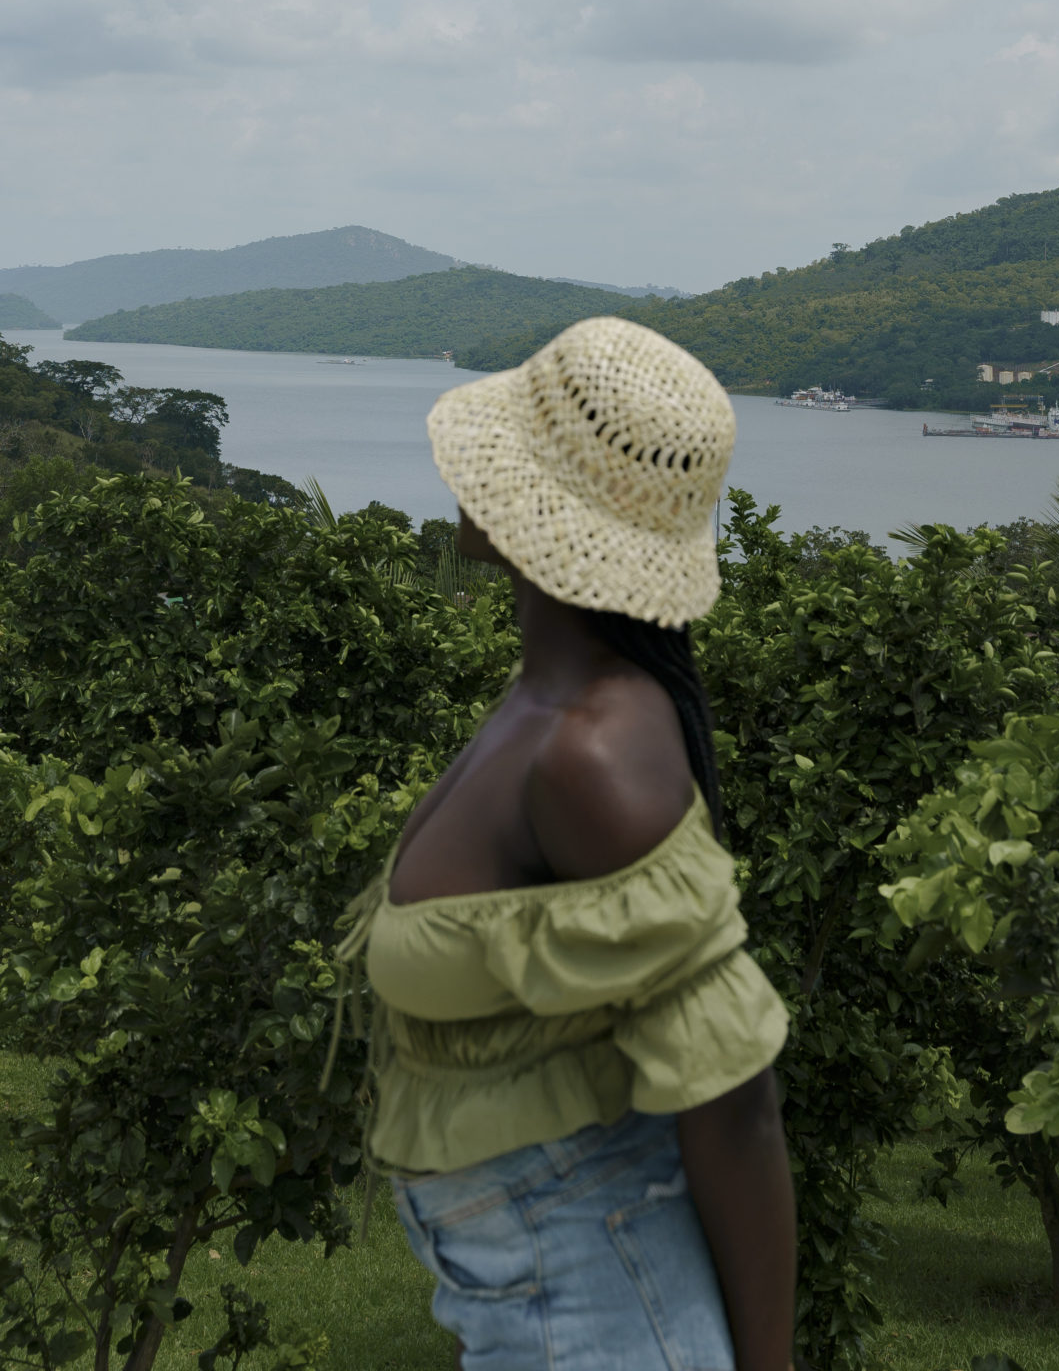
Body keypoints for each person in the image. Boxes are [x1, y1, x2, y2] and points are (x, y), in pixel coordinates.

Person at [336, 316, 796, 1371]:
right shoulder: (549, 701)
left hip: (592, 1290)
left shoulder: (589, 750)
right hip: (546, 1279)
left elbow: (735, 1104)